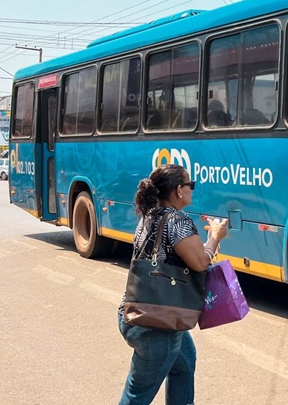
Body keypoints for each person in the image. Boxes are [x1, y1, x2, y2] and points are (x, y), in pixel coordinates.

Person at [118, 164, 229, 404]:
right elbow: (200, 262)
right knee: (136, 395)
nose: (192, 189)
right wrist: (215, 237)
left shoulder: (150, 215)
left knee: (184, 362)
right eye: (191, 185)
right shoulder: (177, 220)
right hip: (158, 324)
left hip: (138, 311)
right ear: (179, 190)